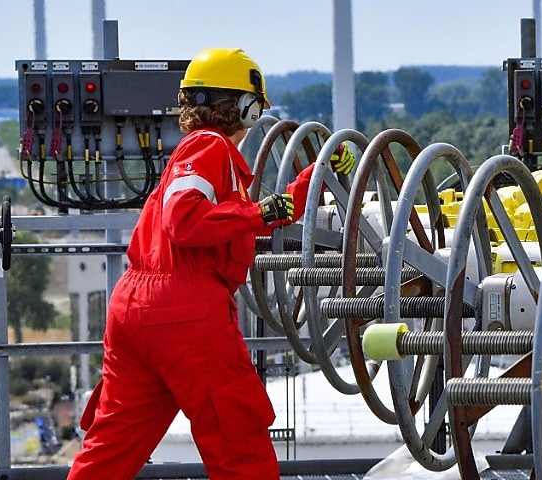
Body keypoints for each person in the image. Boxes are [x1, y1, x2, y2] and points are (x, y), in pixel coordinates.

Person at [67, 48, 353, 479]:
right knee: (238, 440)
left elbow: (242, 218)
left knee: (113, 444)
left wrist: (315, 176)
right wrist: (260, 213)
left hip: (135, 307)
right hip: (185, 312)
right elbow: (185, 221)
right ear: (245, 106)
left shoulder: (199, 153)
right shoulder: (210, 147)